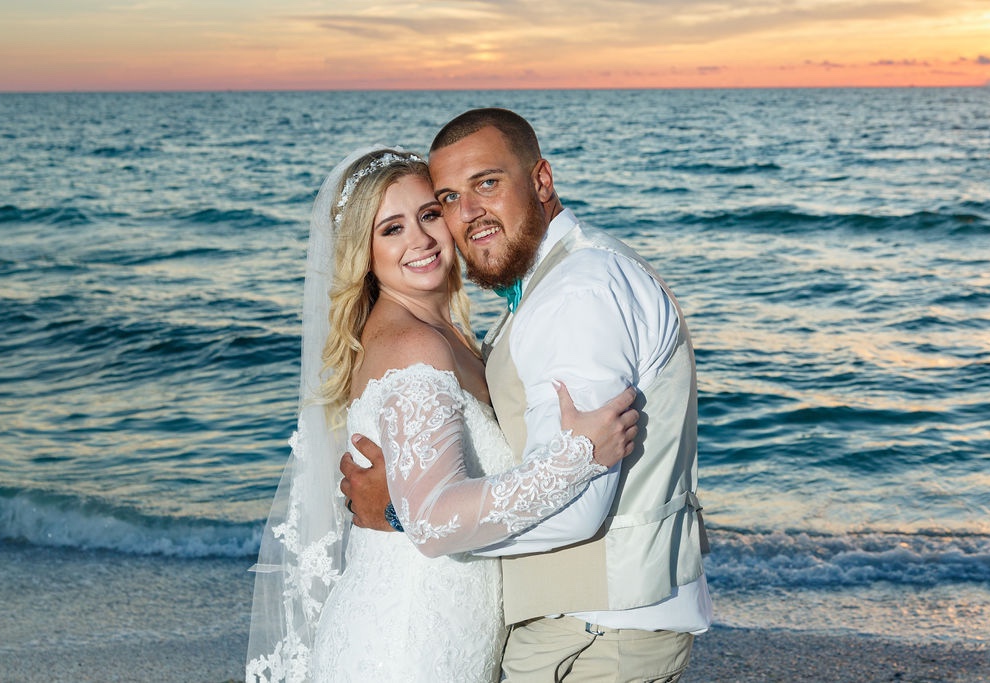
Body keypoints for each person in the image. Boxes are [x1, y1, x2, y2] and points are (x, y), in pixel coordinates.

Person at [342, 109, 713, 682]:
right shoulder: (544, 291)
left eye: (486, 183)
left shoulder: (575, 293)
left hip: (595, 629)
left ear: (541, 181)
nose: (467, 215)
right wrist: (418, 514)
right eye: (449, 197)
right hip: (578, 627)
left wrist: (402, 516)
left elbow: (578, 510)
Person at [245, 146, 640, 683]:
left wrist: (393, 509)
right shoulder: (413, 345)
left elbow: (419, 503)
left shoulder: (446, 336)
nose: (421, 240)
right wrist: (580, 457)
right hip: (408, 644)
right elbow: (433, 520)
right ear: (362, 252)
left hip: (445, 630)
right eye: (391, 229)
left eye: (430, 214)